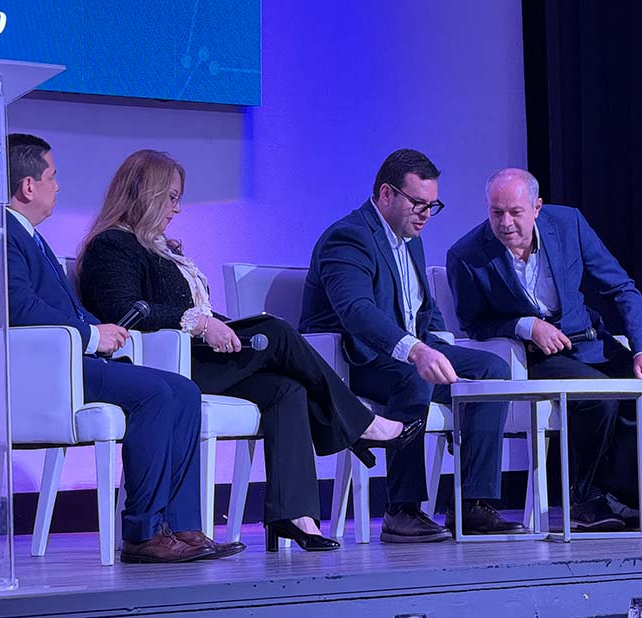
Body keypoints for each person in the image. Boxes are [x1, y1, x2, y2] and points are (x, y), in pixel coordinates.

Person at [76, 149, 421, 552]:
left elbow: (194, 310)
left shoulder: (159, 248)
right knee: (275, 330)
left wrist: (214, 321)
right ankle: (360, 423)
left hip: (197, 356)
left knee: (285, 390)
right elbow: (126, 311)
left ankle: (296, 515)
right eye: (170, 197)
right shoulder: (112, 245)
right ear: (144, 193)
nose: (177, 208)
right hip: (164, 367)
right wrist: (202, 323)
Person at [0, 134, 239, 564]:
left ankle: (182, 527)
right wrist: (90, 336)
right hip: (36, 370)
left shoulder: (25, 235)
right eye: (53, 176)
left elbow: (52, 305)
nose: (59, 186)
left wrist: (100, 331)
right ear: (28, 186)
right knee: (157, 394)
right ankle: (143, 532)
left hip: (62, 359)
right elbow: (20, 308)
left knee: (183, 390)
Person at [299, 149, 526, 542]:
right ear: (386, 194)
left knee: (492, 370)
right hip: (352, 359)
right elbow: (356, 311)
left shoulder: (410, 239)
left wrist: (438, 344)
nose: (425, 213)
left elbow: (424, 308)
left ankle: (472, 504)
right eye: (417, 203)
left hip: (400, 353)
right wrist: (418, 352)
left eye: (432, 205)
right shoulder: (348, 237)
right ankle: (401, 510)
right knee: (413, 378)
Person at [446, 167, 642, 530]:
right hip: (534, 355)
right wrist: (526, 326)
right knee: (595, 396)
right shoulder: (467, 255)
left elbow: (622, 289)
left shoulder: (568, 224)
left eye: (515, 212)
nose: (505, 223)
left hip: (589, 342)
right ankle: (585, 499)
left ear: (536, 207)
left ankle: (616, 496)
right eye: (496, 212)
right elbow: (473, 324)